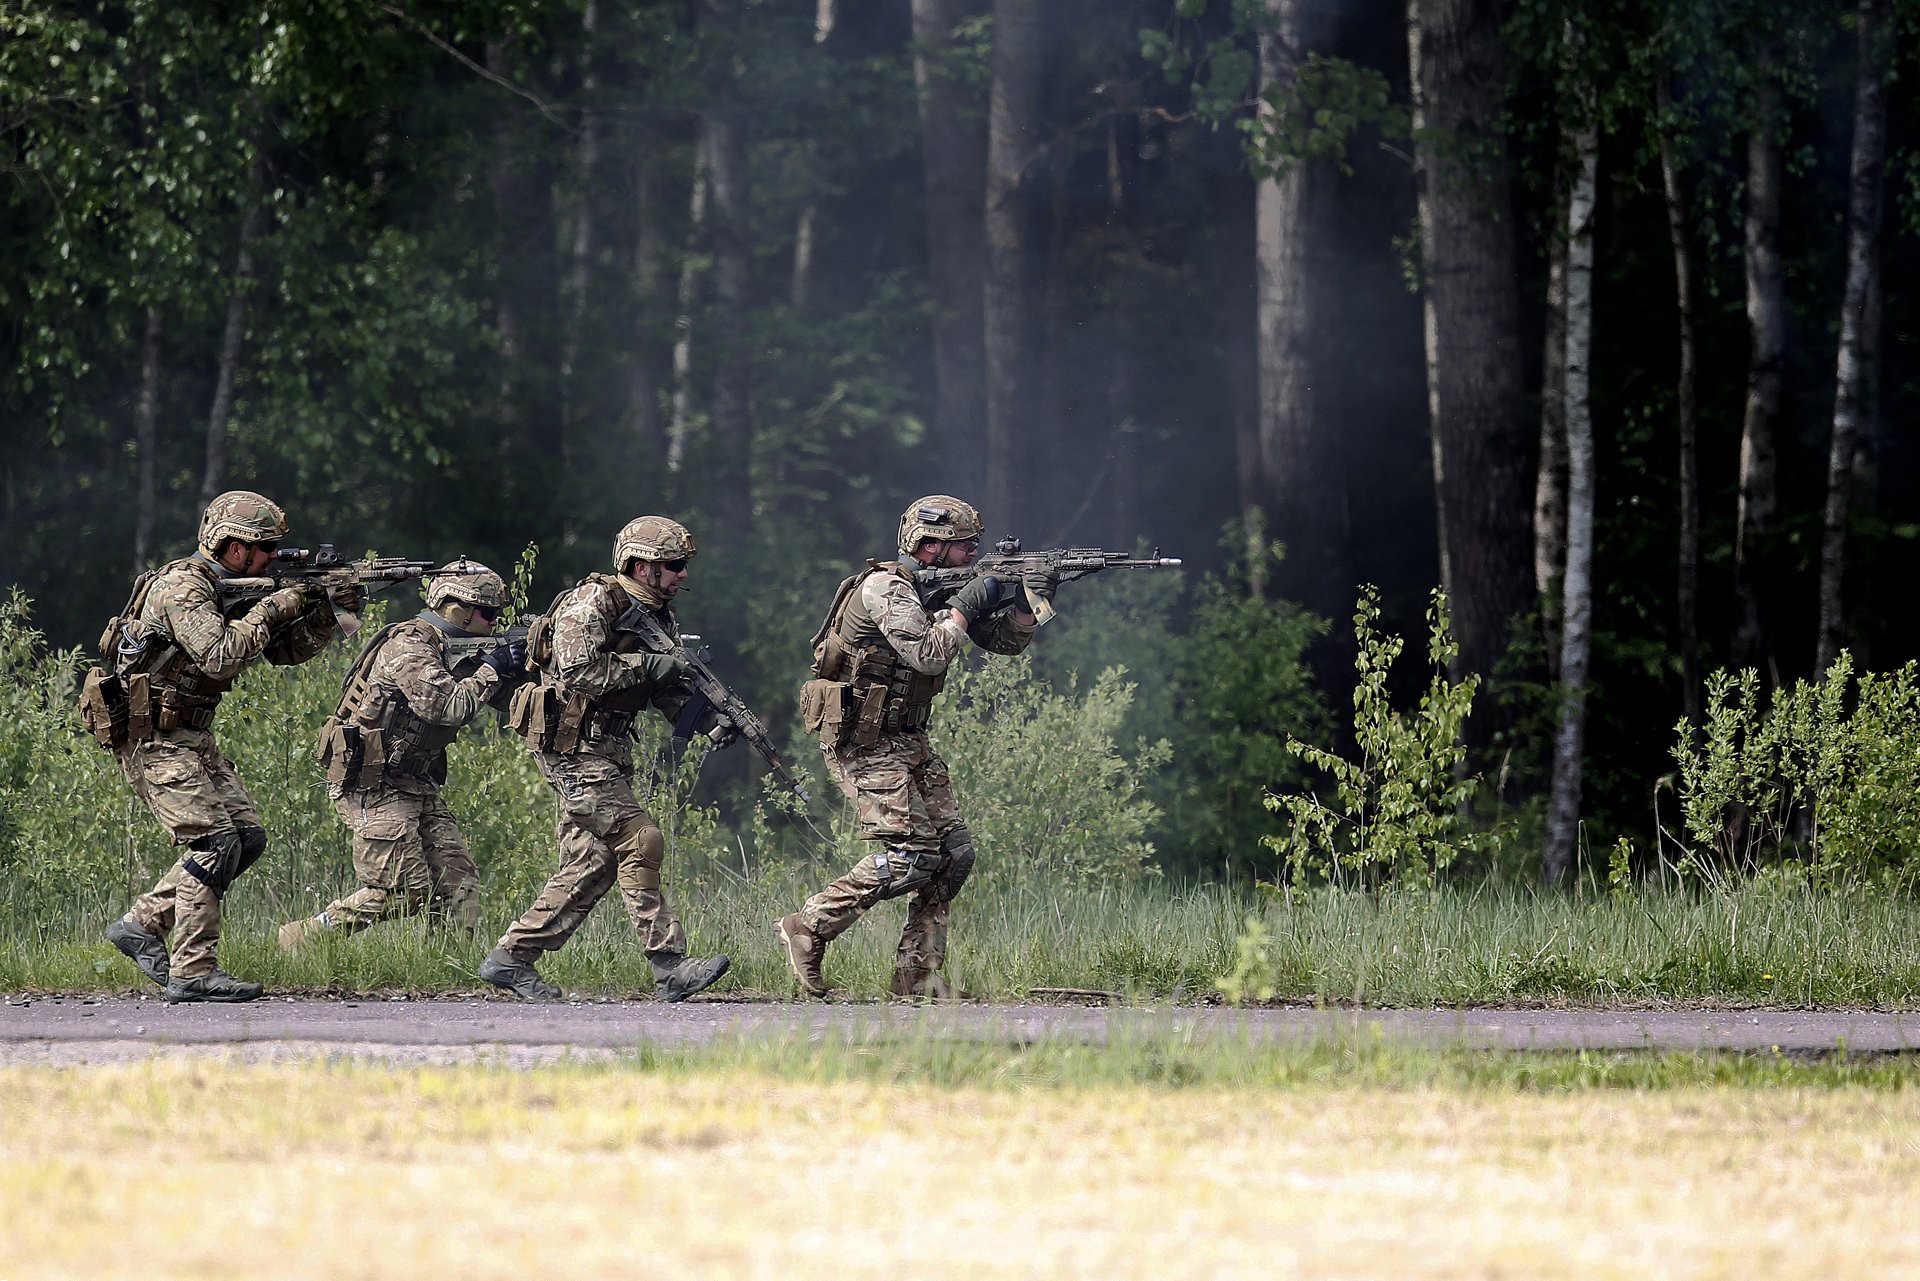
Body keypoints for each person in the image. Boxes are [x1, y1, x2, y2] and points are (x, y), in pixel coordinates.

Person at [776, 494, 1055, 998]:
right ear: (927, 547)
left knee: (953, 852)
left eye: (976, 548)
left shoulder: (933, 590)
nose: (973, 556)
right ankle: (810, 925)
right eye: (964, 548)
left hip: (906, 738)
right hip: (863, 741)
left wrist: (1026, 604)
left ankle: (916, 974)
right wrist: (968, 604)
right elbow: (928, 655)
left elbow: (1006, 644)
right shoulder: (886, 588)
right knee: (912, 855)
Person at [96, 490, 351, 1003]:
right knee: (214, 845)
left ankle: (142, 924)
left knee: (246, 839)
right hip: (155, 739)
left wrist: (324, 609)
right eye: (266, 550)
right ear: (234, 550)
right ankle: (192, 971)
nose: (273, 558)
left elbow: (283, 651)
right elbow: (218, 655)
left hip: (190, 736)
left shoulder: (225, 588)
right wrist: (276, 605)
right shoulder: (183, 588)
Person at [478, 516, 731, 1002]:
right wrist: (652, 663)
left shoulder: (657, 613)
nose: (682, 575)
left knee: (593, 859)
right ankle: (670, 965)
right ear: (641, 567)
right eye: (673, 566)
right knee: (641, 839)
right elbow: (577, 670)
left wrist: (703, 720)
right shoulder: (592, 603)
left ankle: (511, 959)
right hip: (570, 743)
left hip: (607, 746)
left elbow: (658, 688)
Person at [277, 559, 525, 952]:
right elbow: (445, 707)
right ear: (456, 608)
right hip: (372, 784)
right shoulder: (410, 646)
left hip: (413, 781)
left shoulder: (450, 648)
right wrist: (493, 668)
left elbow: (498, 701)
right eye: (488, 612)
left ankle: (445, 967)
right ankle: (305, 937)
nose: (495, 621)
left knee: (458, 882)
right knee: (401, 889)